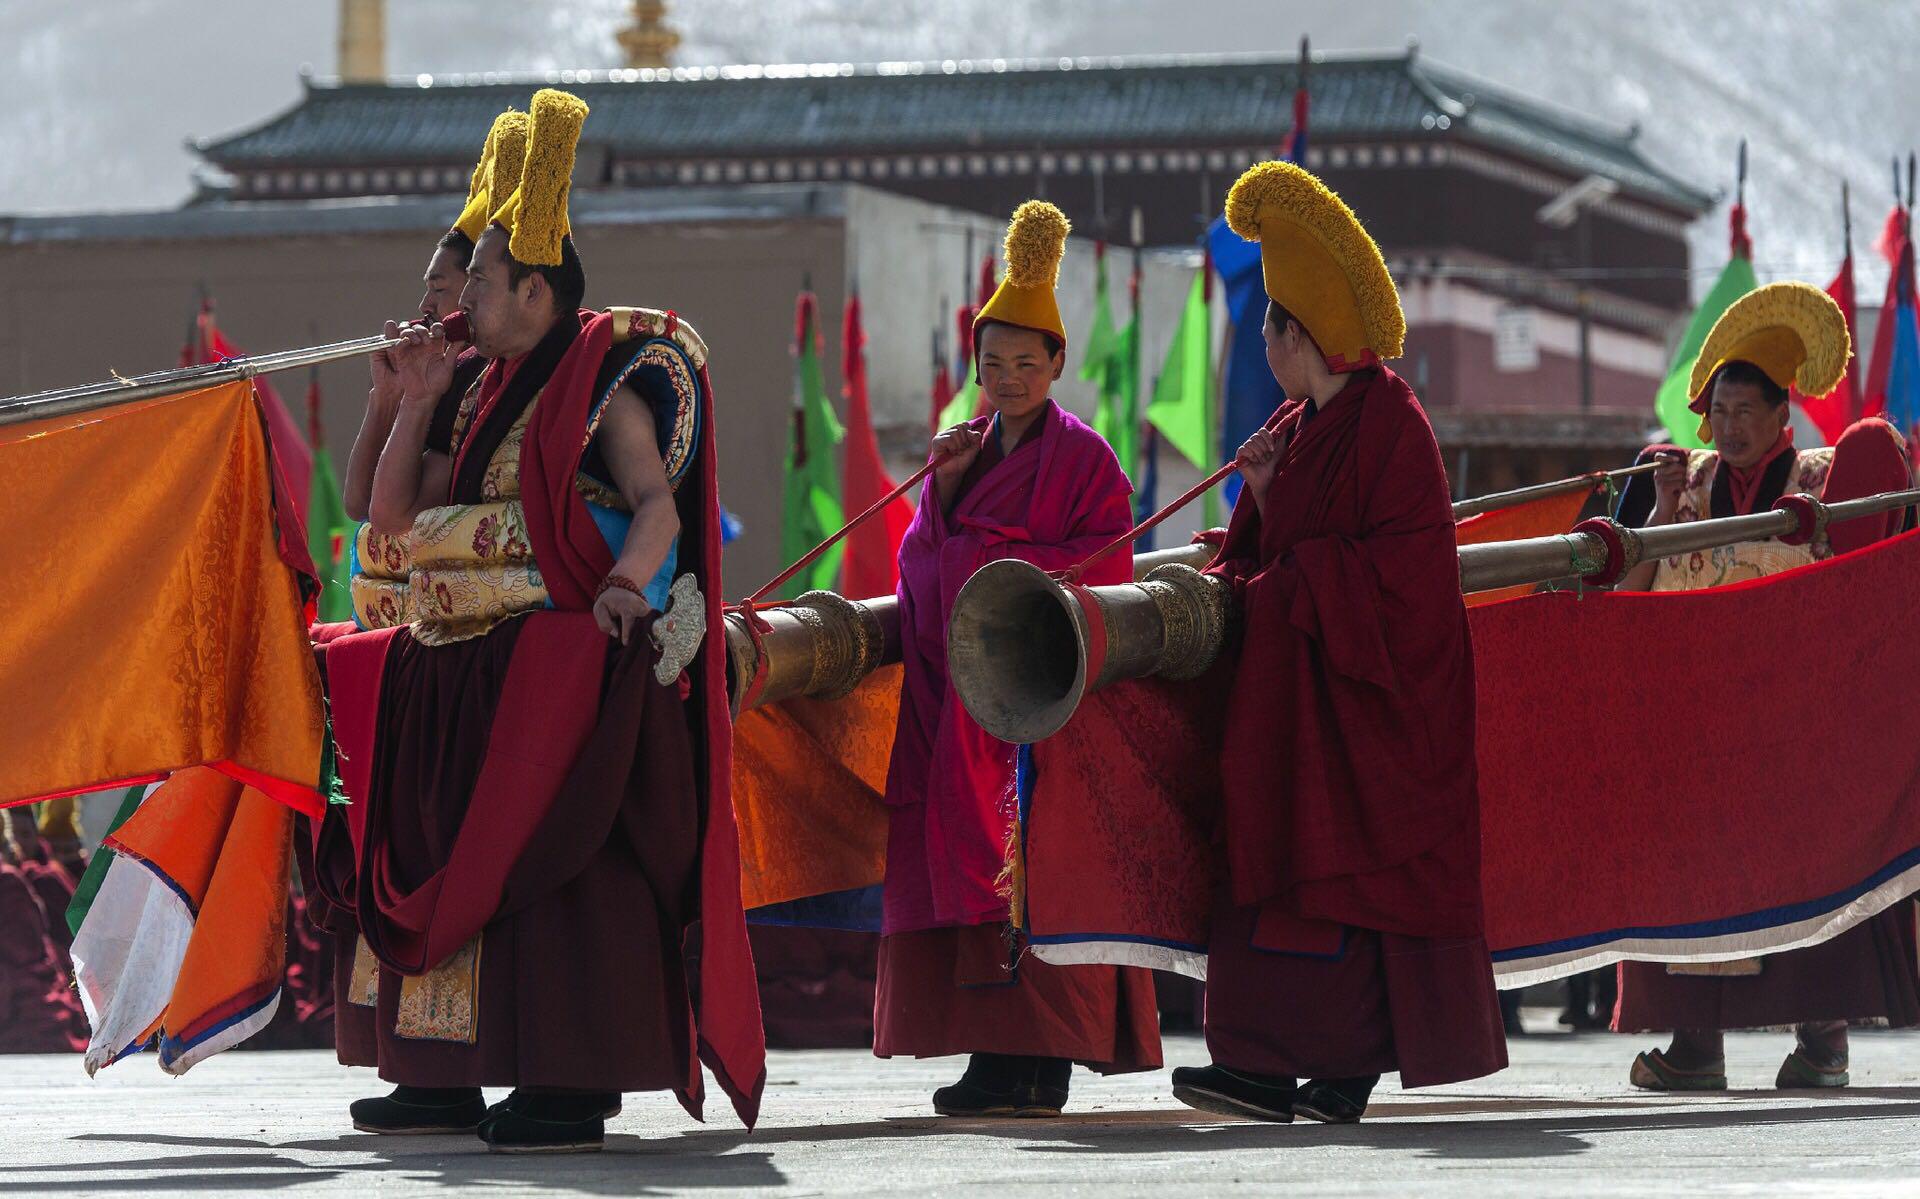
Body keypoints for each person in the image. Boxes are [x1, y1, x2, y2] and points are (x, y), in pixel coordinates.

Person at [315, 88, 763, 1153]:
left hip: (557, 665)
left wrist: (625, 585)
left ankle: (570, 1077)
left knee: (559, 878)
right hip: (456, 658)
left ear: (537, 288)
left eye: (480, 277)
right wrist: (410, 394)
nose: (462, 291)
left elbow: (656, 504)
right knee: (441, 845)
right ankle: (442, 1074)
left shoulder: (606, 386)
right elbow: (385, 515)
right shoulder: (474, 389)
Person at [1170, 161, 1507, 1126]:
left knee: (1350, 891)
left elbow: (1400, 585)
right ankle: (1264, 1063)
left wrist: (1290, 577)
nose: (1263, 341)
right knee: (1277, 875)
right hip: (1300, 701)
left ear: (1301, 335)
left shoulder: (1393, 427)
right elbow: (1273, 555)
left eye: (1271, 324)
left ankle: (1336, 1066)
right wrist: (1267, 507)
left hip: (1370, 711)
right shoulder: (1302, 424)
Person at [875, 200, 1162, 1117]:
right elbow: (918, 571)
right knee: (971, 874)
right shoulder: (965, 451)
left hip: (1044, 707)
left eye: (1024, 365)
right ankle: (1001, 1061)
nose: (1005, 380)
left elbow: (1102, 576)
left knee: (1044, 874)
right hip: (964, 702)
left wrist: (979, 552)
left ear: (1057, 366)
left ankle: (1048, 1063)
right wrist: (948, 498)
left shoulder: (1090, 462)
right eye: (991, 363)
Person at [1610, 281, 1920, 1090]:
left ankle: (1823, 1041)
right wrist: (1663, 521)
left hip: (1795, 725)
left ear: (1785, 415)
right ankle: (1695, 1046)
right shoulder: (1683, 480)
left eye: (1749, 408)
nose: (1732, 424)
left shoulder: (1822, 477)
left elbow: (1864, 586)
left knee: (1809, 869)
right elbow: (1626, 601)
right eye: (1721, 408)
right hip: (1697, 723)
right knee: (1687, 876)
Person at [338, 109, 525, 631]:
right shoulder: (457, 372)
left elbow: (393, 515)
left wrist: (419, 400)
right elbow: (360, 504)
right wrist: (388, 398)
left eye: (441, 289)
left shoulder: (476, 374)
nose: (427, 305)